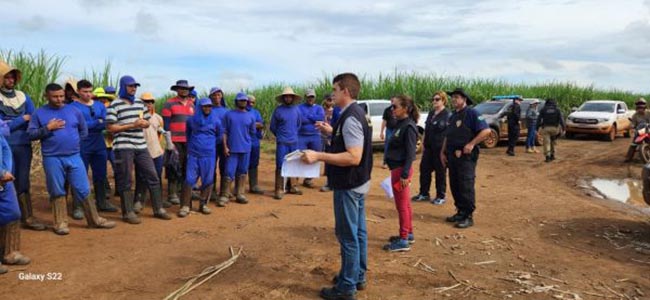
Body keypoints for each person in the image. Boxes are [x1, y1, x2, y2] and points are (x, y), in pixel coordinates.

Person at [302, 73, 371, 300]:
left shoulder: (350, 117)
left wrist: (318, 156)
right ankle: (356, 275)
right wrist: (331, 131)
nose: (332, 94)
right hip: (358, 183)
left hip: (348, 185)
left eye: (335, 89)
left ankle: (346, 287)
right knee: (358, 233)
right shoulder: (353, 113)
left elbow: (353, 157)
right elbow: (351, 141)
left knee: (348, 236)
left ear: (346, 92)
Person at [28, 83, 116, 235]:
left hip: (74, 155)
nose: (59, 99)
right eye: (55, 96)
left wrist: (74, 143)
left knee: (83, 187)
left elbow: (84, 130)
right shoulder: (39, 113)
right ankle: (60, 223)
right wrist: (48, 128)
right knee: (57, 189)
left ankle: (94, 219)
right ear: (46, 96)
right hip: (52, 157)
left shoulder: (73, 111)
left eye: (61, 96)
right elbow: (31, 134)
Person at [106, 75, 171, 224]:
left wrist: (144, 124)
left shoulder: (140, 104)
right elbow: (110, 128)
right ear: (123, 86)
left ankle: (158, 209)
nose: (133, 88)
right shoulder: (114, 105)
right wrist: (132, 125)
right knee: (126, 178)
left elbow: (148, 122)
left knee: (153, 175)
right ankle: (128, 212)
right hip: (123, 145)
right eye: (130, 86)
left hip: (141, 145)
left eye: (135, 86)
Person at [0, 60, 45, 231]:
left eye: (13, 78)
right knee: (4, 179)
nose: (10, 81)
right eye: (7, 77)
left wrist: (12, 122)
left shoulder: (23, 97)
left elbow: (33, 119)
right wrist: (20, 119)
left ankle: (27, 217)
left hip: (23, 145)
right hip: (5, 146)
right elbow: (4, 127)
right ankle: (8, 221)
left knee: (23, 180)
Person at [441, 88, 490, 229]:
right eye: (453, 97)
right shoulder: (452, 116)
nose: (453, 99)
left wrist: (472, 143)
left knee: (465, 185)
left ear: (464, 99)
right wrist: (442, 152)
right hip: (452, 156)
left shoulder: (472, 113)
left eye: (457, 97)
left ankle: (468, 216)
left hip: (466, 157)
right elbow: (447, 135)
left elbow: (486, 131)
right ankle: (460, 211)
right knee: (454, 184)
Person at [70, 80, 117, 217]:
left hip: (98, 143)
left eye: (90, 91)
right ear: (78, 91)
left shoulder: (99, 105)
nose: (88, 94)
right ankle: (78, 206)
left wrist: (92, 124)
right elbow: (79, 125)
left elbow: (106, 123)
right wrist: (97, 122)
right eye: (85, 92)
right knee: (79, 174)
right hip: (81, 143)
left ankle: (102, 202)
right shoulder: (73, 107)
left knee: (100, 174)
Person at [383, 95, 419, 252]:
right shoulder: (400, 124)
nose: (392, 109)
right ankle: (408, 233)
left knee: (402, 205)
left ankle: (403, 239)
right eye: (392, 106)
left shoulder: (408, 127)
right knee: (404, 204)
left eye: (395, 106)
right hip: (397, 169)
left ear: (405, 108)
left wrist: (405, 175)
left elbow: (411, 153)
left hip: (401, 170)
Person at [178, 98, 221, 217]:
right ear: (199, 107)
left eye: (209, 106)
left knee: (207, 179)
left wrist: (208, 145)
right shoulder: (191, 120)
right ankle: (185, 205)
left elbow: (219, 136)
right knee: (189, 179)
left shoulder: (216, 121)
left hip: (209, 154)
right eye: (205, 106)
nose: (207, 108)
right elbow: (187, 134)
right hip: (194, 154)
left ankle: (203, 204)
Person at [0, 118, 30, 274]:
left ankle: (11, 253)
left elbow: (4, 147)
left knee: (12, 213)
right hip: (2, 176)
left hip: (5, 180)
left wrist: (5, 172)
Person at [161, 80, 196, 206]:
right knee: (173, 166)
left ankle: (184, 192)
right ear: (177, 90)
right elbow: (165, 124)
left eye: (186, 88)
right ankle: (172, 194)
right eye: (181, 88)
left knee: (187, 166)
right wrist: (169, 142)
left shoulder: (192, 105)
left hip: (189, 141)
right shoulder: (169, 104)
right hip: (175, 141)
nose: (184, 90)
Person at [412, 91, 450, 205]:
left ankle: (440, 196)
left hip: (440, 149)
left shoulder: (447, 115)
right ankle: (424, 193)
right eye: (433, 99)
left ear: (443, 100)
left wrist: (444, 150)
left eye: (437, 99)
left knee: (440, 172)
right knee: (424, 170)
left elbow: (448, 134)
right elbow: (426, 130)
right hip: (428, 148)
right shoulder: (431, 113)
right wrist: (423, 143)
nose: (434, 101)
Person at [220, 92, 256, 206]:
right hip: (232, 149)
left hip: (245, 149)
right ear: (236, 102)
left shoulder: (251, 116)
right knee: (229, 171)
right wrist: (225, 146)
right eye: (241, 100)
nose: (243, 102)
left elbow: (252, 132)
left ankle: (240, 193)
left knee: (242, 172)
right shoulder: (229, 115)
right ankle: (225, 195)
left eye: (245, 101)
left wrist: (247, 144)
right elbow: (224, 132)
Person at [133, 92, 165, 213]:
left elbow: (160, 135)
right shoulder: (137, 118)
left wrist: (159, 148)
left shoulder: (158, 118)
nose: (148, 104)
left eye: (151, 102)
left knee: (156, 176)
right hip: (141, 152)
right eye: (145, 102)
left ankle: (157, 201)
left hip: (156, 152)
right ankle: (139, 200)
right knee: (141, 177)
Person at [270, 87, 303, 200]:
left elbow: (298, 125)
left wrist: (292, 134)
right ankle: (278, 189)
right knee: (280, 164)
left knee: (293, 163)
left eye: (290, 96)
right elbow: (273, 127)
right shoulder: (278, 110)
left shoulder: (297, 110)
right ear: (283, 98)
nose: (288, 98)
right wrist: (280, 136)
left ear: (293, 98)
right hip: (282, 142)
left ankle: (293, 186)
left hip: (294, 142)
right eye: (286, 96)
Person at [298, 88, 325, 188]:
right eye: (309, 97)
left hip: (315, 136)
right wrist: (313, 117)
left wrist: (309, 116)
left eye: (312, 97)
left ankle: (308, 179)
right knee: (300, 156)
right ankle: (295, 179)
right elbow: (301, 119)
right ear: (305, 97)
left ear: (315, 97)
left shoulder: (319, 108)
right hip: (301, 136)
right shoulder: (299, 107)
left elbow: (320, 118)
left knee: (315, 157)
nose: (310, 98)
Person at [206, 87, 229, 202]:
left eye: (219, 95)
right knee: (211, 167)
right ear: (210, 97)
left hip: (224, 144)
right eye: (214, 95)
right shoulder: (207, 110)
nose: (216, 97)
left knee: (224, 167)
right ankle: (212, 191)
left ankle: (224, 192)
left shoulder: (226, 111)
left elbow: (229, 128)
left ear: (222, 96)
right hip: (211, 144)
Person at [537, 98, 565, 163]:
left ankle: (547, 157)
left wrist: (536, 128)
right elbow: (561, 119)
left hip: (546, 128)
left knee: (547, 143)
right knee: (553, 141)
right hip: (555, 129)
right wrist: (564, 128)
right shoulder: (557, 110)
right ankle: (553, 155)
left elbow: (539, 119)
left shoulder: (543, 110)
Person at [246, 95, 265, 194]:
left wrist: (254, 125)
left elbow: (261, 124)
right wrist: (254, 124)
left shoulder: (256, 112)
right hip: (244, 141)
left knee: (254, 163)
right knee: (242, 164)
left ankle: (253, 185)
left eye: (253, 102)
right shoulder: (241, 111)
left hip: (255, 141)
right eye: (249, 102)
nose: (251, 104)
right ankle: (238, 188)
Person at [320, 94, 334, 193]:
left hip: (332, 137)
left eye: (330, 100)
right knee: (325, 157)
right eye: (327, 100)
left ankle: (330, 183)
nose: (329, 102)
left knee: (331, 160)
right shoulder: (321, 110)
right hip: (322, 136)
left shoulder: (336, 111)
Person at [380, 97, 398, 168]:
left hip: (397, 130)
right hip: (389, 130)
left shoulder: (399, 109)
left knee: (397, 146)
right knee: (388, 145)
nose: (393, 102)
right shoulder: (387, 110)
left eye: (395, 101)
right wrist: (381, 132)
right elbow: (384, 121)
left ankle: (395, 162)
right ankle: (385, 162)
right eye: (392, 101)